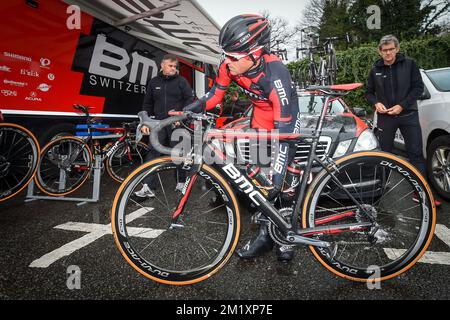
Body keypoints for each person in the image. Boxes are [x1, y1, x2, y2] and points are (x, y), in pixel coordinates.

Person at [183, 14, 300, 262]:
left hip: (284, 121)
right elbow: (214, 97)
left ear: (256, 53)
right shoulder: (228, 67)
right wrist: (189, 109)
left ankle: (287, 236)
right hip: (260, 117)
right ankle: (266, 235)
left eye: (234, 56)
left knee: (277, 185)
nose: (228, 62)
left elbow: (284, 128)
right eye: (226, 54)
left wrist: (275, 170)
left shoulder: (276, 72)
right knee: (259, 184)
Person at [365, 34, 441, 206]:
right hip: (385, 118)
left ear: (397, 49)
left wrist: (402, 105)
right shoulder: (375, 69)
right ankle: (376, 193)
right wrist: (375, 102)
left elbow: (418, 88)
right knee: (384, 155)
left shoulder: (410, 64)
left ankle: (421, 194)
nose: (388, 53)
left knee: (415, 155)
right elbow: (368, 92)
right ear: (380, 51)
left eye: (391, 49)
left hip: (408, 115)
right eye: (384, 50)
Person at [134, 54, 194, 199]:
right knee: (152, 152)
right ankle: (148, 187)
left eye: (175, 66)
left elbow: (190, 99)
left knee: (179, 153)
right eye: (170, 66)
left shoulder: (182, 81)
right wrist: (144, 122)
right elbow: (147, 103)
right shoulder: (154, 82)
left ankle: (181, 183)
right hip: (159, 123)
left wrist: (182, 118)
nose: (174, 68)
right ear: (162, 66)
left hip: (177, 123)